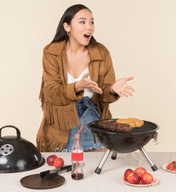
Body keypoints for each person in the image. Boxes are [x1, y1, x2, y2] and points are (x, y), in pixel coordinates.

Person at [36, 4, 135, 152]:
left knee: (96, 171)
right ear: (67, 27)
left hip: (94, 122)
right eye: (82, 22)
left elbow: (104, 95)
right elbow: (51, 94)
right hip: (61, 128)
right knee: (66, 172)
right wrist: (77, 86)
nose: (89, 27)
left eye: (92, 22)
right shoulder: (51, 52)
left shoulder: (102, 52)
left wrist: (113, 89)